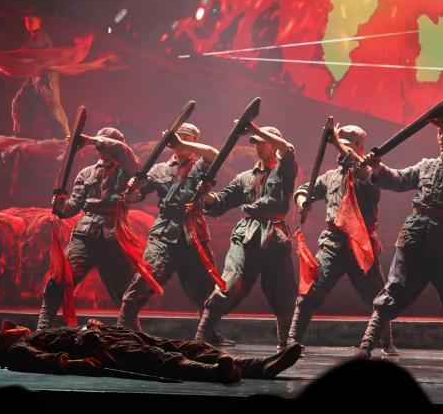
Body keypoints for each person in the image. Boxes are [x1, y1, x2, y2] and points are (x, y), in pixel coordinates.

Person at [353, 112, 443, 360]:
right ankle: (366, 345)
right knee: (393, 289)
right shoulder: (425, 165)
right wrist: (377, 166)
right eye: (439, 132)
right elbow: (397, 179)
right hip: (415, 234)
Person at [288, 124, 396, 354]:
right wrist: (302, 201)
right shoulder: (330, 177)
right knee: (311, 291)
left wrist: (336, 142)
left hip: (361, 243)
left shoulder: (368, 173)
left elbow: (358, 168)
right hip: (333, 243)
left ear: (359, 146)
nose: (340, 151)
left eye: (346, 146)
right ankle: (292, 342)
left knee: (377, 296)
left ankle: (386, 342)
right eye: (339, 146)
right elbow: (304, 190)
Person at [195, 126, 299, 349]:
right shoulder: (244, 177)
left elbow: (288, 149)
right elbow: (221, 202)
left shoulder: (284, 170)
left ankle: (287, 343)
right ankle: (201, 337)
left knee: (283, 290)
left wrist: (253, 127)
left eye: (263, 142)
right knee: (229, 283)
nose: (258, 146)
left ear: (274, 144)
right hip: (246, 234)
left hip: (275, 235)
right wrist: (207, 196)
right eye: (256, 142)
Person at [116, 123, 220, 331]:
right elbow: (136, 196)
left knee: (204, 285)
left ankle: (208, 332)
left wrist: (180, 142)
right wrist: (131, 191)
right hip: (164, 230)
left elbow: (213, 154)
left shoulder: (200, 166)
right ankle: (125, 324)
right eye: (178, 138)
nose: (180, 142)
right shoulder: (159, 169)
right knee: (147, 275)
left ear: (194, 141)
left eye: (186, 138)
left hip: (192, 231)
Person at [38, 128, 139, 330]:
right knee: (60, 280)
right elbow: (72, 207)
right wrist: (60, 206)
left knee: (125, 292)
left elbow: (122, 149)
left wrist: (92, 140)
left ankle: (133, 333)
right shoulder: (86, 173)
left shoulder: (128, 169)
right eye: (99, 144)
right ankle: (42, 327)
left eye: (104, 143)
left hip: (115, 235)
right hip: (86, 234)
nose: (100, 148)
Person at [0, 318, 302, 382]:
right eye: (10, 329)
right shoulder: (17, 349)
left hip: (109, 335)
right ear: (5, 340)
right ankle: (217, 372)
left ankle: (259, 366)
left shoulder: (34, 336)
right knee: (157, 359)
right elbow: (47, 360)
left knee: (185, 346)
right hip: (103, 346)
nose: (18, 327)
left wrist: (89, 325)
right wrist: (75, 362)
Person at [11, 11, 71, 140]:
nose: (28, 23)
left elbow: (25, 51)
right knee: (19, 102)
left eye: (31, 20)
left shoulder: (41, 37)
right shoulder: (33, 37)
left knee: (53, 109)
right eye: (26, 21)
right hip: (34, 77)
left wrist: (8, 58)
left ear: (39, 21)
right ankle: (20, 132)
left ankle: (66, 137)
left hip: (45, 78)